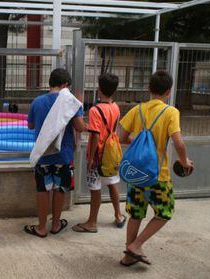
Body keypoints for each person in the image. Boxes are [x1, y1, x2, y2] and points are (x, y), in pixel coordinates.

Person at [119, 70, 194, 266]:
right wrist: (185, 161)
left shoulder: (137, 110)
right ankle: (136, 245)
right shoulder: (171, 112)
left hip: (137, 174)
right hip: (158, 176)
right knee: (165, 213)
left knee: (135, 213)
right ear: (168, 92)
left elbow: (122, 138)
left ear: (148, 89)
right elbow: (179, 143)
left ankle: (128, 256)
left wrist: (140, 140)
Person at [24, 68, 87, 238]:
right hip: (63, 155)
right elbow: (80, 127)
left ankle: (42, 227)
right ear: (66, 85)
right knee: (60, 189)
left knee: (43, 189)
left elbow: (30, 125)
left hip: (42, 154)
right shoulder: (70, 102)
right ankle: (56, 224)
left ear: (50, 83)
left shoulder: (37, 101)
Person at [72, 73, 126, 234]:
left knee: (95, 188)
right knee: (112, 183)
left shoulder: (96, 110)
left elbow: (95, 134)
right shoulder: (116, 107)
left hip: (98, 155)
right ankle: (118, 215)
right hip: (111, 153)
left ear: (99, 88)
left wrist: (91, 159)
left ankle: (92, 222)